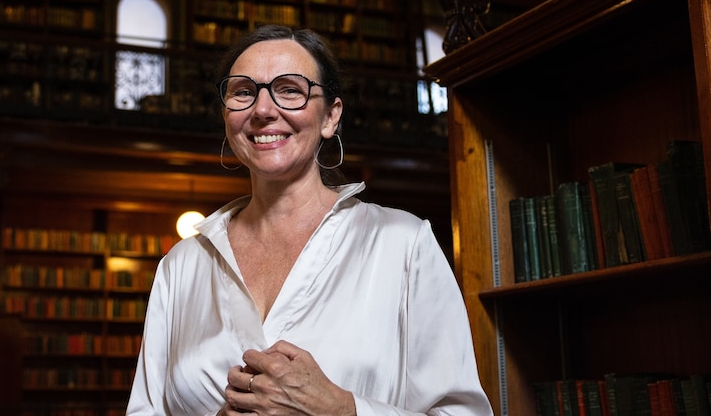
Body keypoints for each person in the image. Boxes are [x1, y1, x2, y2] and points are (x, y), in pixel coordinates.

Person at [125, 24, 493, 416]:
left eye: (289, 90)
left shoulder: (403, 244)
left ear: (330, 117)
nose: (263, 110)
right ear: (227, 116)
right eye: (243, 92)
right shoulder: (181, 265)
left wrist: (341, 410)